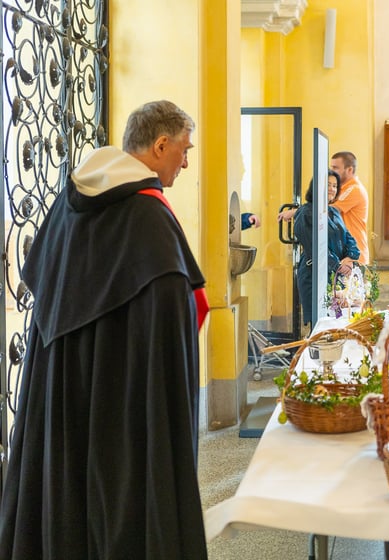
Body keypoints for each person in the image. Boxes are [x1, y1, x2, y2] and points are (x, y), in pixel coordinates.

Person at [0, 100, 208, 559]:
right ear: (159, 145)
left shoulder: (68, 203)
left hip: (60, 383)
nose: (186, 161)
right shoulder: (148, 216)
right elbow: (172, 314)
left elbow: (47, 287)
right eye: (183, 149)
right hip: (125, 396)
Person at [293, 169, 360, 326]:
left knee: (337, 321)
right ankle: (315, 351)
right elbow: (315, 248)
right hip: (315, 276)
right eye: (327, 185)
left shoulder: (334, 212)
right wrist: (338, 266)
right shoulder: (305, 213)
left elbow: (350, 240)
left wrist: (349, 259)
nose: (332, 189)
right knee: (319, 325)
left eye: (335, 186)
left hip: (337, 276)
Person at [330, 151, 370, 264]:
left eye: (335, 168)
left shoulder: (354, 189)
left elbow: (329, 210)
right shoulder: (340, 189)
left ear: (349, 170)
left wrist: (296, 212)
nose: (331, 171)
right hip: (344, 255)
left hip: (353, 257)